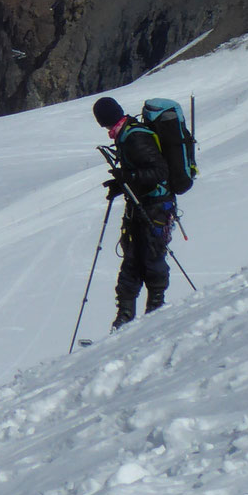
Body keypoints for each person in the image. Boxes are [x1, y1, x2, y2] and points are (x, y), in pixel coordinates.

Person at [92, 96, 177, 328]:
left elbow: (160, 171)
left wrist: (128, 178)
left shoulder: (135, 137)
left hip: (156, 206)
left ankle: (154, 311)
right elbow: (139, 172)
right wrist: (121, 185)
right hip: (141, 205)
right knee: (132, 260)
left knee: (151, 257)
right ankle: (125, 316)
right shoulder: (126, 134)